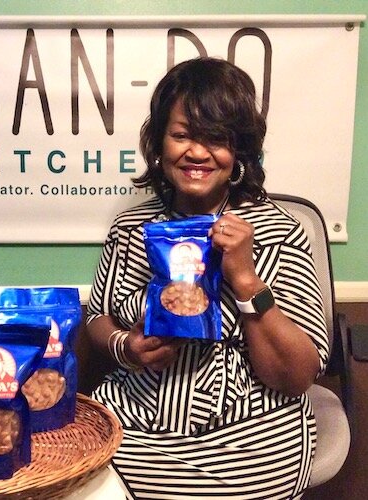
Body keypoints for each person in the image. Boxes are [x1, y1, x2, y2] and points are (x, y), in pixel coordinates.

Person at [86, 57, 329, 499]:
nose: (197, 152)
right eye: (181, 135)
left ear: (238, 150)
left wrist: (245, 278)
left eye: (215, 138)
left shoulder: (281, 232)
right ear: (159, 144)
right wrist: (128, 347)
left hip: (249, 442)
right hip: (133, 428)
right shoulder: (130, 228)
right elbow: (98, 318)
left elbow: (296, 376)